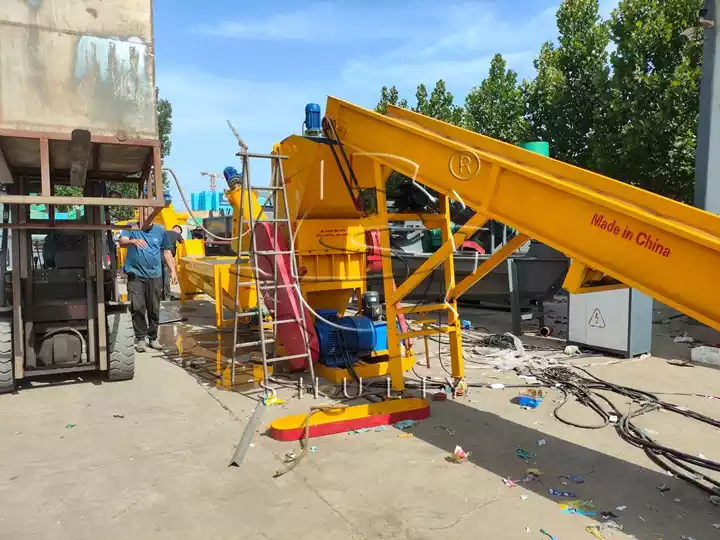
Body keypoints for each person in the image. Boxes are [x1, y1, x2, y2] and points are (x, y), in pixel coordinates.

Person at [119, 210, 178, 352]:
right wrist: (133, 241)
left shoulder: (160, 231)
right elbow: (121, 242)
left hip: (155, 275)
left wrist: (173, 271)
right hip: (136, 275)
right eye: (146, 216)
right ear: (140, 216)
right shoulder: (131, 226)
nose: (149, 219)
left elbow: (166, 252)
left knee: (154, 308)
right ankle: (140, 338)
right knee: (137, 307)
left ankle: (153, 338)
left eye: (152, 217)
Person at [162, 224, 184, 299]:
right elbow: (182, 242)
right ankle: (167, 295)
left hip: (158, 256)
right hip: (167, 257)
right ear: (178, 230)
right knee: (167, 277)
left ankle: (161, 294)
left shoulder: (164, 233)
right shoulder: (176, 234)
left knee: (161, 277)